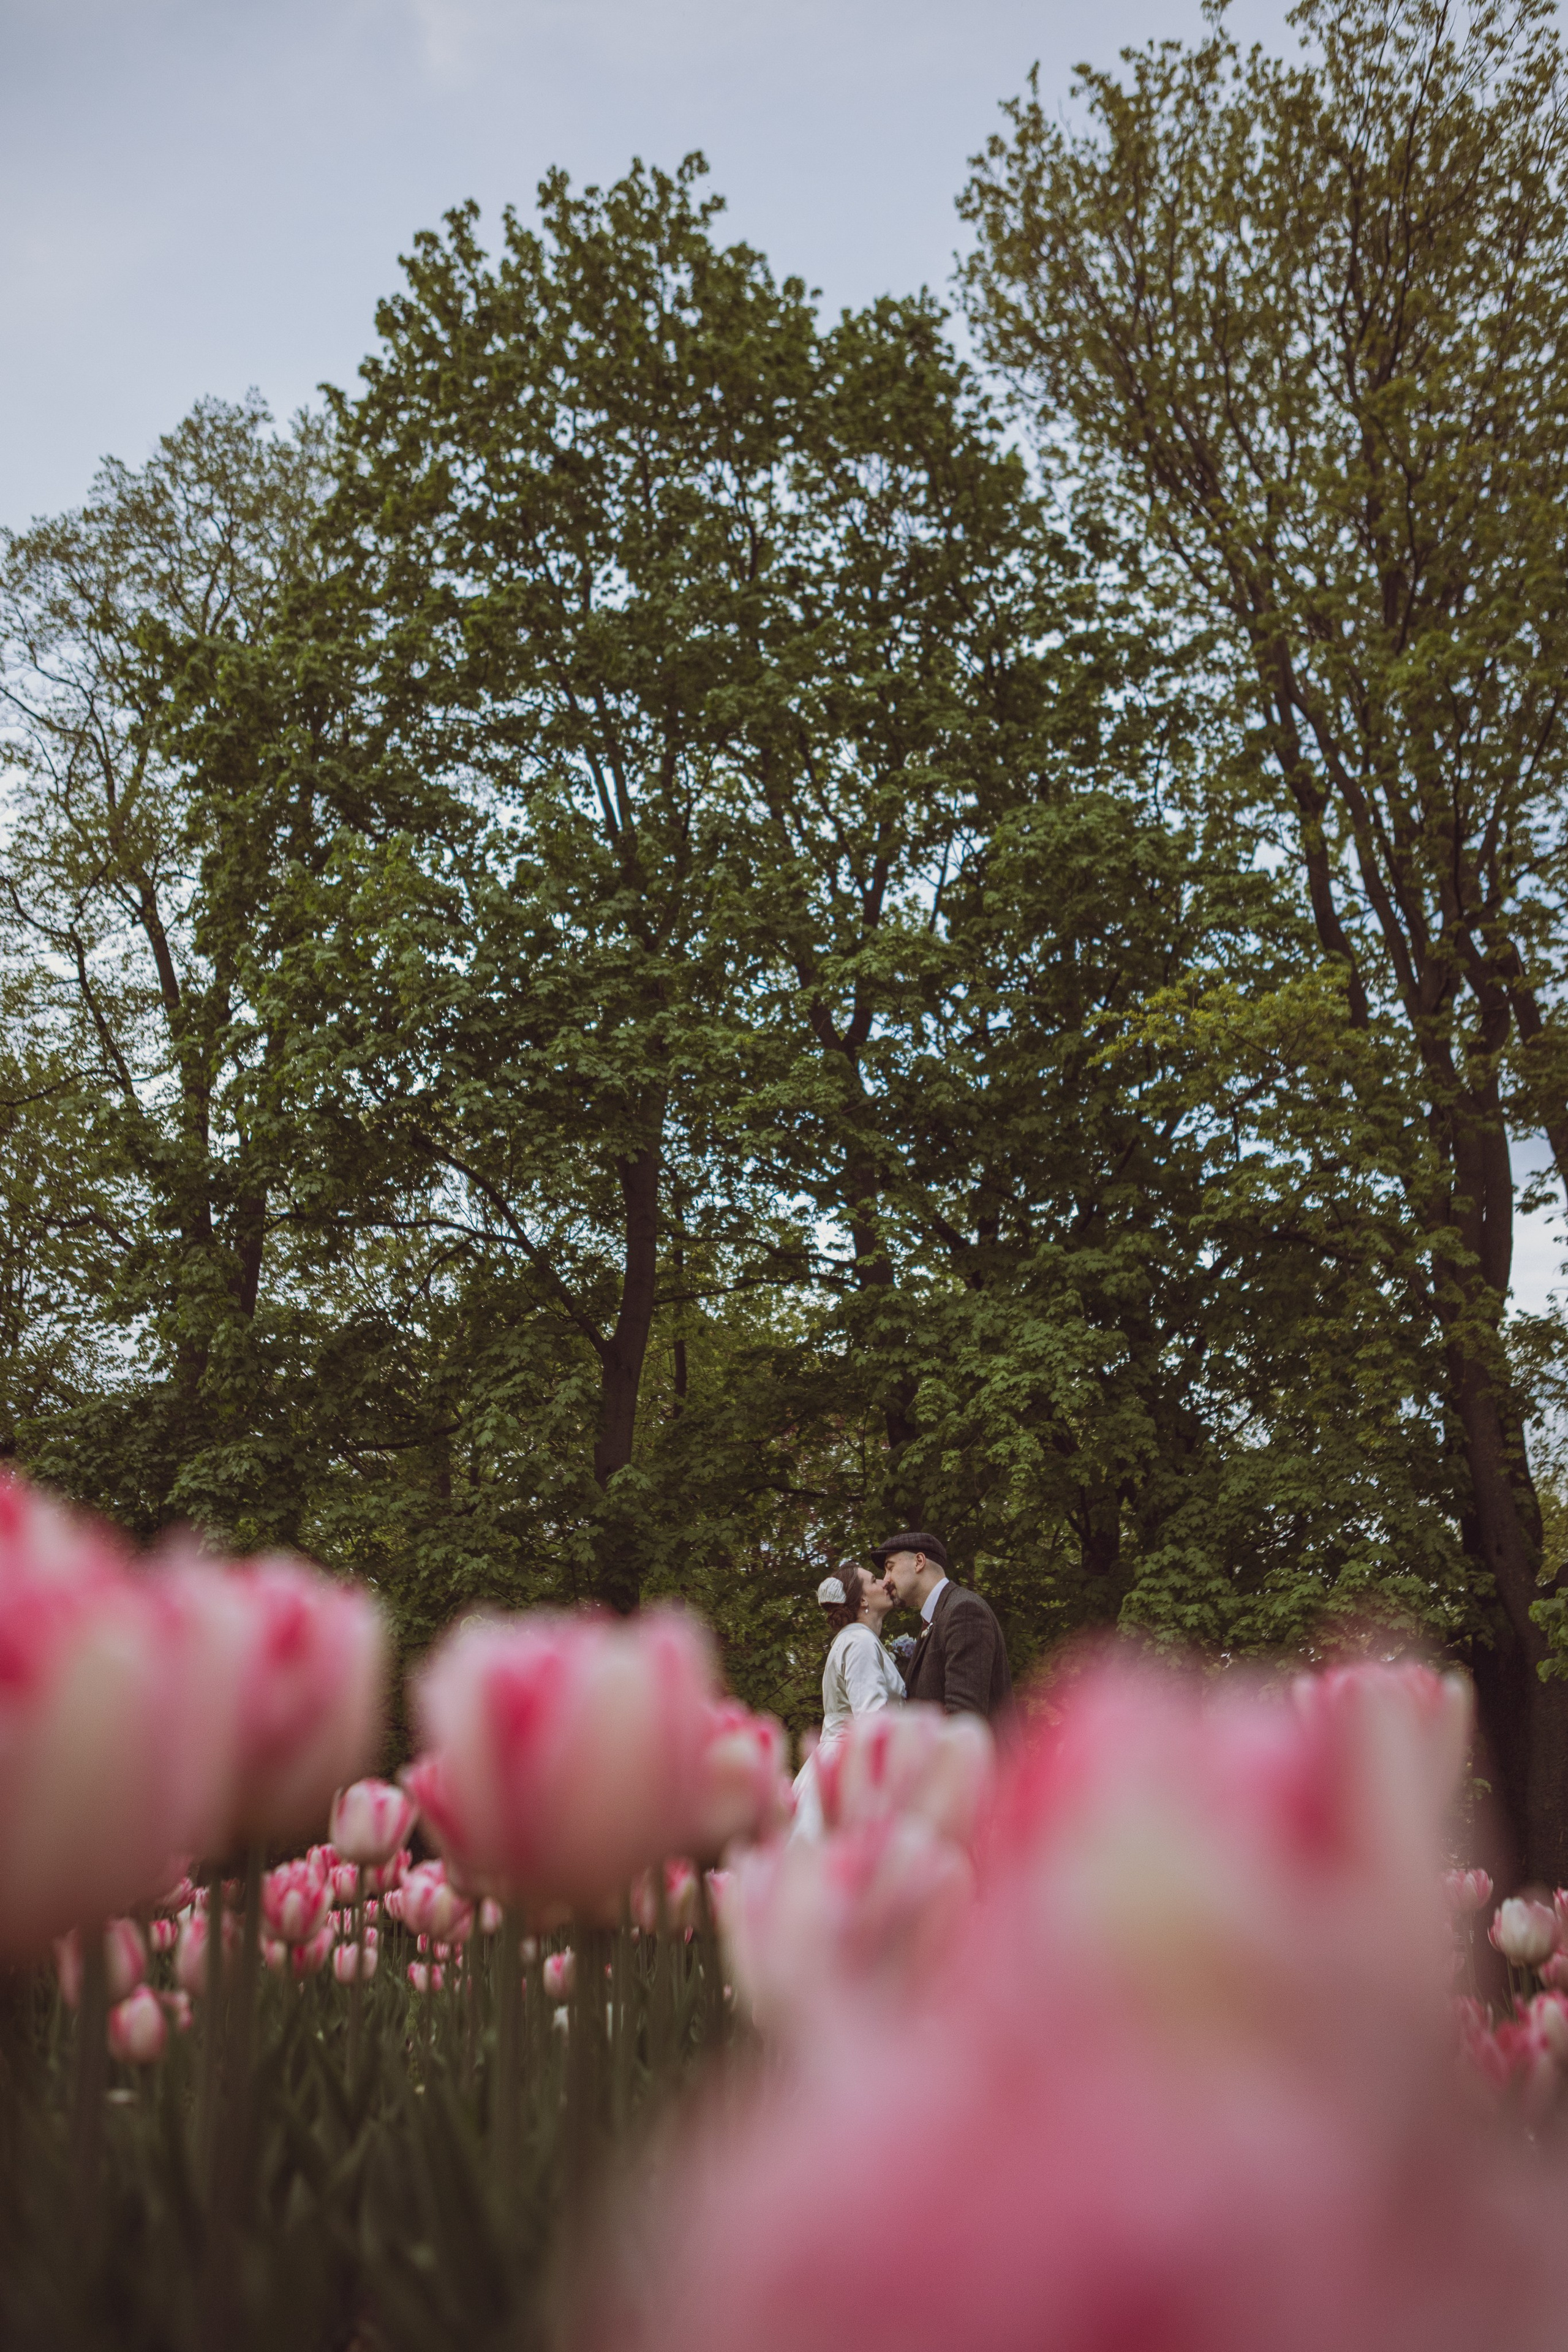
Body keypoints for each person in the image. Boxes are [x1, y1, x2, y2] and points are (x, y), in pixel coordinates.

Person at [790, 1562, 905, 1839]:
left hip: (838, 1762)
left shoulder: (854, 1640)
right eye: (875, 1579)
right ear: (863, 1599)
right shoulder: (859, 1643)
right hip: (851, 1768)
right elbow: (873, 1722)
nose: (885, 1583)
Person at [872, 1530, 1014, 1727]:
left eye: (890, 1568)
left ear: (919, 1562)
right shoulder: (937, 1617)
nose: (885, 1580)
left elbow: (963, 1720)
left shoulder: (964, 1611)